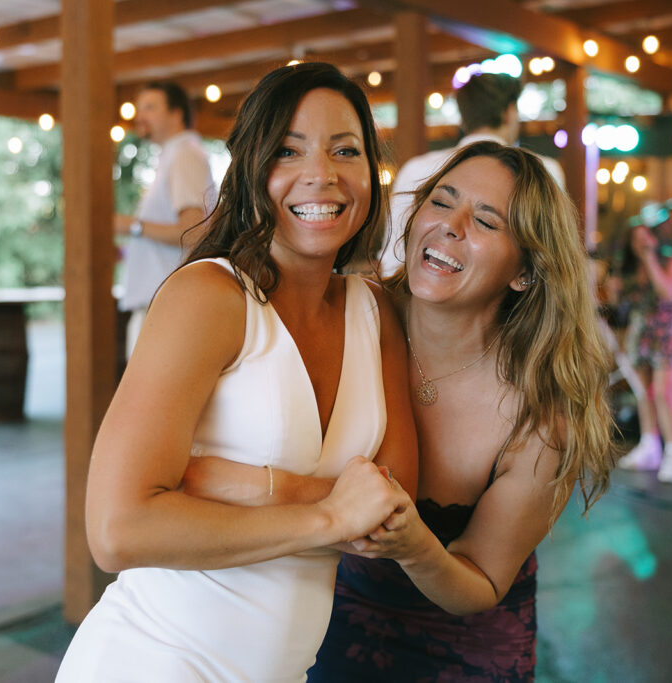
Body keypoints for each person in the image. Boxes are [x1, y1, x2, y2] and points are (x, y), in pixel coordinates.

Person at [183, 141, 615, 680]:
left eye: (486, 220)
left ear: (524, 272)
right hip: (322, 612)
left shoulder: (541, 415)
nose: (451, 226)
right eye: (442, 202)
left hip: (462, 648)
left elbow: (481, 582)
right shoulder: (344, 313)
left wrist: (415, 549)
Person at [55, 63, 417, 682]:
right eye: (288, 150)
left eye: (345, 150)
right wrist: (328, 513)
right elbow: (118, 529)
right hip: (152, 661)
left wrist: (232, 483)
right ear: (252, 169)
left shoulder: (375, 310)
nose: (321, 174)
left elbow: (394, 505)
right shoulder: (211, 297)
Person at [378, 73, 564, 278]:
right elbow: (553, 263)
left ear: (464, 119)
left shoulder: (416, 168)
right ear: (509, 112)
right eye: (441, 203)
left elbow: (390, 259)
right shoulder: (544, 173)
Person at [115, 81, 217, 357]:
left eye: (150, 107)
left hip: (166, 307)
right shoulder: (172, 155)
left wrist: (133, 227)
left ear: (177, 114)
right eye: (139, 109)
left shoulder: (185, 155)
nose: (140, 116)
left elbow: (195, 232)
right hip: (159, 303)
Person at [609, 201, 672, 483]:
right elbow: (620, 306)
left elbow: (667, 294)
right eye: (637, 236)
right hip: (640, 333)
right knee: (644, 394)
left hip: (667, 334)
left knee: (664, 393)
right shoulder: (627, 268)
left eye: (646, 235)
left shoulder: (669, 260)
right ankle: (649, 446)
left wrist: (649, 257)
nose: (641, 241)